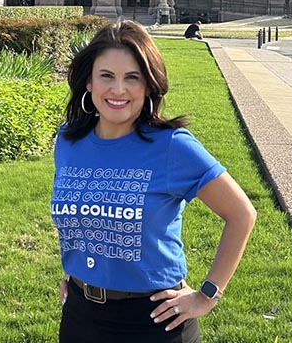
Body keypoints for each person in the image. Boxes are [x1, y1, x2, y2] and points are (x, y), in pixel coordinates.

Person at [52, 21, 256, 343]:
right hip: (81, 317)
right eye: (107, 76)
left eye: (132, 78)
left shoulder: (172, 146)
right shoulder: (68, 140)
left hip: (153, 322)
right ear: (89, 81)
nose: (118, 90)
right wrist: (77, 272)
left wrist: (207, 295)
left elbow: (241, 214)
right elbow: (78, 213)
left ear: (148, 86)